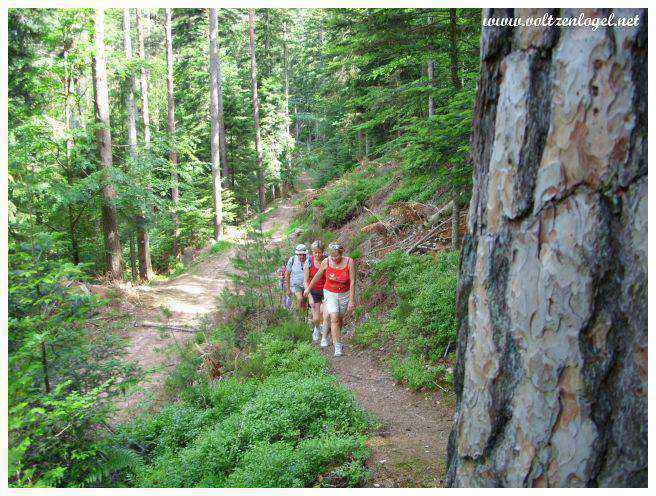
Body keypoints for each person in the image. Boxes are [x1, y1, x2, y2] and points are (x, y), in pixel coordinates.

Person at [304, 242, 355, 357]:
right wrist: (308, 289)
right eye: (332, 256)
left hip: (344, 294)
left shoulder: (349, 262)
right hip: (330, 292)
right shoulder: (326, 262)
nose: (334, 258)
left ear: (341, 253)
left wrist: (351, 300)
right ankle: (337, 346)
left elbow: (352, 282)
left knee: (340, 318)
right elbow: (317, 276)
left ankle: (335, 337)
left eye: (336, 256)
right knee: (334, 317)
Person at [305, 240, 327, 343]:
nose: (317, 254)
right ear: (312, 252)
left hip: (326, 290)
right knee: (316, 318)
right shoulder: (309, 261)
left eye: (319, 252)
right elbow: (305, 281)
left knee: (325, 312)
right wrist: (309, 296)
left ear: (323, 251)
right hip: (313, 291)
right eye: (315, 252)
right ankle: (317, 328)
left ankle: (325, 331)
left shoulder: (327, 260)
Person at [285, 244, 309, 315]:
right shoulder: (292, 260)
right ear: (297, 254)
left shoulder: (309, 260)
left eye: (303, 254)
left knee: (304, 303)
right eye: (300, 254)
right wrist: (288, 289)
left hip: (306, 285)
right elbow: (287, 274)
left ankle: (303, 318)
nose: (302, 256)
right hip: (296, 284)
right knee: (299, 299)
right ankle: (299, 316)